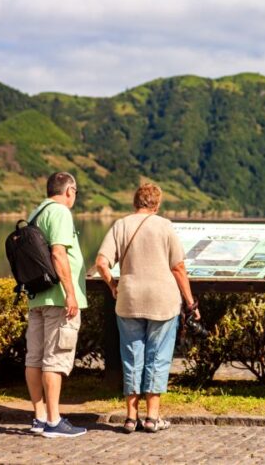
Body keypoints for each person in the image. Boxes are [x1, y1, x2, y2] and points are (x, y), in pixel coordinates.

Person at [95, 183, 200, 433]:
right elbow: (178, 268)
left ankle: (131, 418)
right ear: (157, 204)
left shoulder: (121, 225)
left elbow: (101, 263)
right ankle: (152, 418)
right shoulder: (165, 226)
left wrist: (113, 285)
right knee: (158, 357)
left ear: (135, 203)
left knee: (132, 357)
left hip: (128, 300)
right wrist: (190, 302)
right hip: (162, 301)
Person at [25, 171, 88, 438]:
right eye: (75, 193)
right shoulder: (60, 212)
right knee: (54, 359)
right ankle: (53, 421)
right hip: (57, 299)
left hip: (37, 296)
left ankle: (39, 418)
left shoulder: (36, 213)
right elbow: (58, 252)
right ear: (69, 190)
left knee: (34, 358)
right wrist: (70, 293)